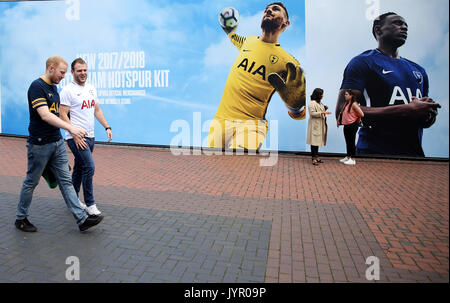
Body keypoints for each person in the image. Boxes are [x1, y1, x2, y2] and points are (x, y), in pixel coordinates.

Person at [15, 56, 104, 232]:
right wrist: (72, 128)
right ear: (51, 68)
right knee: (31, 182)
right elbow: (46, 115)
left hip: (56, 143)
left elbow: (58, 115)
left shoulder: (54, 88)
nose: (63, 76)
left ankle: (81, 219)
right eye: (62, 72)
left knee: (66, 181)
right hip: (39, 145)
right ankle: (21, 218)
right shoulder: (37, 87)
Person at [336, 12, 441, 157]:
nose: (404, 27)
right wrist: (406, 109)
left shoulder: (419, 70)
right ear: (378, 30)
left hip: (414, 157)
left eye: (406, 25)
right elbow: (342, 112)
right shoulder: (363, 62)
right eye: (397, 23)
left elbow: (423, 120)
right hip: (373, 155)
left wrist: (428, 114)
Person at [207, 2, 306, 151]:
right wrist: (229, 31)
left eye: (275, 10)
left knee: (238, 164)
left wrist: (296, 107)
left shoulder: (289, 62)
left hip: (251, 125)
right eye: (266, 10)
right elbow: (236, 40)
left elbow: (301, 111)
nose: (269, 11)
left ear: (286, 23)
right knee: (212, 170)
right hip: (220, 121)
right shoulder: (250, 41)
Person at [60, 58, 112, 216]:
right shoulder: (68, 90)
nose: (83, 73)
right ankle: (90, 204)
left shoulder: (91, 88)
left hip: (90, 137)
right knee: (89, 167)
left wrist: (107, 127)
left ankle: (73, 200)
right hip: (76, 138)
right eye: (79, 70)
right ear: (72, 72)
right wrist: (74, 133)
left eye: (85, 70)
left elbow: (97, 110)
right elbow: (62, 114)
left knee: (79, 168)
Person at [306, 88, 330, 165]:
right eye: (321, 94)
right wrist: (322, 112)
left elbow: (319, 110)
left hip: (319, 125)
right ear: (317, 95)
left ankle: (317, 156)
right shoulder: (312, 103)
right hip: (315, 126)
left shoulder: (319, 103)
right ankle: (313, 158)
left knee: (317, 141)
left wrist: (324, 108)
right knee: (314, 142)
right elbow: (312, 113)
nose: (322, 95)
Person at [339, 90, 364, 165]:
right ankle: (348, 156)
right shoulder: (347, 104)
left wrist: (354, 119)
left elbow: (362, 114)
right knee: (348, 141)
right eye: (345, 94)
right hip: (346, 125)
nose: (345, 96)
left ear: (351, 96)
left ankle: (353, 159)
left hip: (352, 125)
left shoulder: (354, 104)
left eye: (346, 94)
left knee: (351, 141)